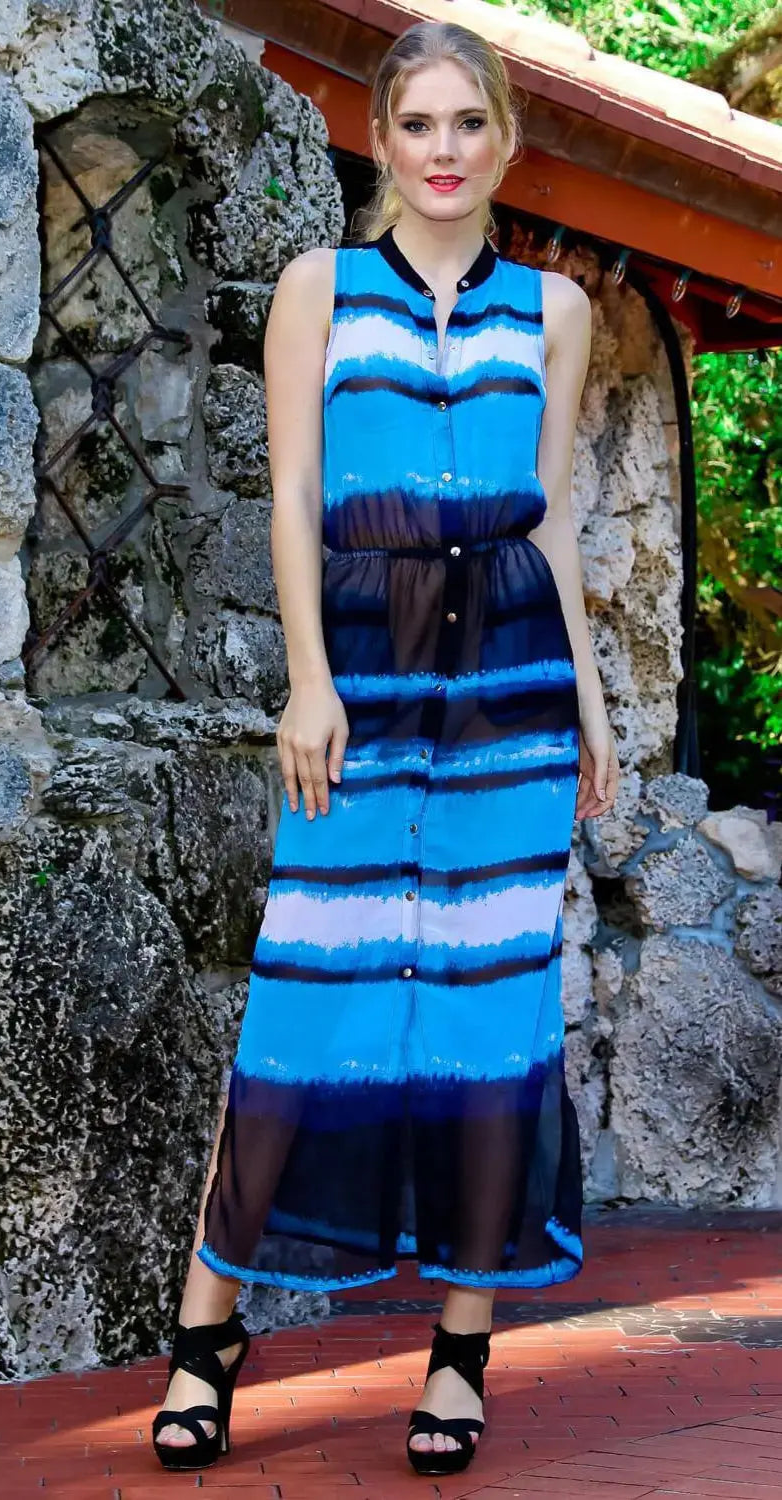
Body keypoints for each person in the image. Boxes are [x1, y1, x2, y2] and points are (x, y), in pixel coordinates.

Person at [152, 16, 619, 1480]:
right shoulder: (320, 288)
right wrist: (310, 680)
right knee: (303, 999)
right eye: (417, 124)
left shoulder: (555, 311)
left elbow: (552, 520)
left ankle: (461, 1354)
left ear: (506, 142)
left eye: (469, 124)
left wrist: (594, 709)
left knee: (492, 1010)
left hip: (511, 681)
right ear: (380, 139)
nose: (442, 151)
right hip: (358, 669)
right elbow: (293, 496)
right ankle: (206, 1338)